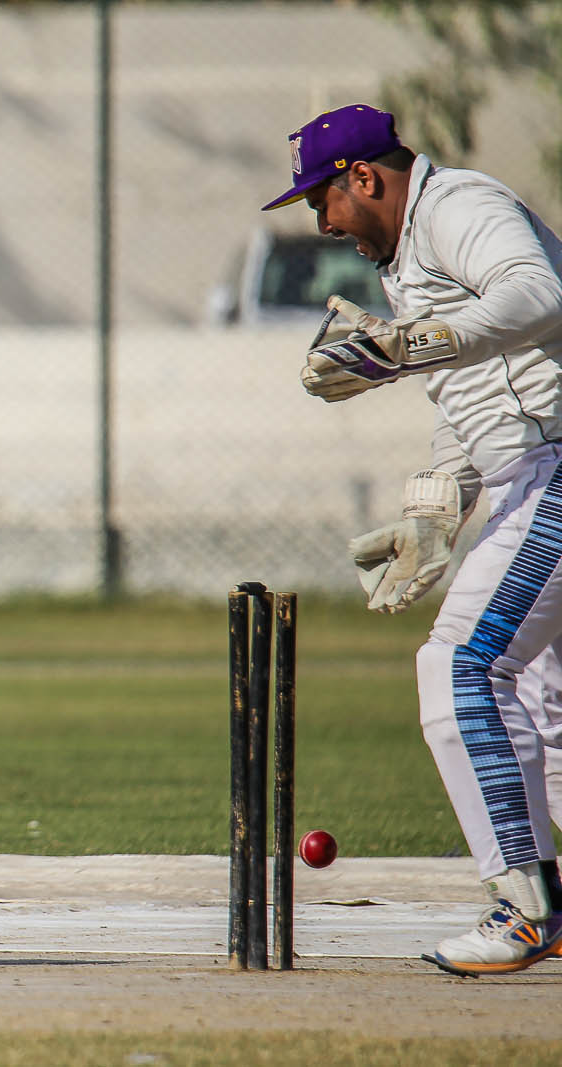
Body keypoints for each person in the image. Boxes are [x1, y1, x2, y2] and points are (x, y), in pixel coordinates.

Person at [265, 103, 562, 976]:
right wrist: (435, 515)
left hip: (556, 466)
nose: (324, 224)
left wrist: (409, 344)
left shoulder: (458, 205)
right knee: (542, 703)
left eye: (323, 200)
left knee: (463, 667)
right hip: (527, 471)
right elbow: (469, 400)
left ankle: (527, 906)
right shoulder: (406, 259)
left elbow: (540, 292)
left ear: (365, 177)